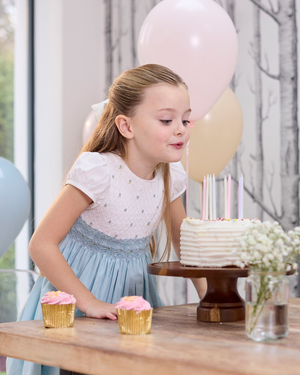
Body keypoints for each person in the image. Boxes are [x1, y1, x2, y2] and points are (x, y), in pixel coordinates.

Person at [7, 64, 206, 375]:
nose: (180, 128)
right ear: (126, 126)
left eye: (185, 119)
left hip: (132, 302)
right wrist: (89, 303)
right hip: (78, 302)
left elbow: (185, 241)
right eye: (167, 120)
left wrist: (211, 296)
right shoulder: (98, 171)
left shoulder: (171, 175)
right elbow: (41, 245)